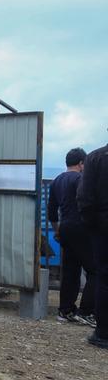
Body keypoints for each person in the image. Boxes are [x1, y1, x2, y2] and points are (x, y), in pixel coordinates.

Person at [50, 147, 95, 326]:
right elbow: (86, 203)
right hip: (81, 228)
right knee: (95, 271)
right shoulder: (80, 179)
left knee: (70, 271)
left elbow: (52, 211)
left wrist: (57, 230)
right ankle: (86, 311)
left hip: (65, 229)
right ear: (81, 164)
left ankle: (65, 310)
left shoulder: (56, 181)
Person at [79, 135, 108, 349]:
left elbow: (85, 197)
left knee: (104, 277)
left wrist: (92, 226)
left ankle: (103, 333)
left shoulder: (96, 158)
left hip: (103, 227)